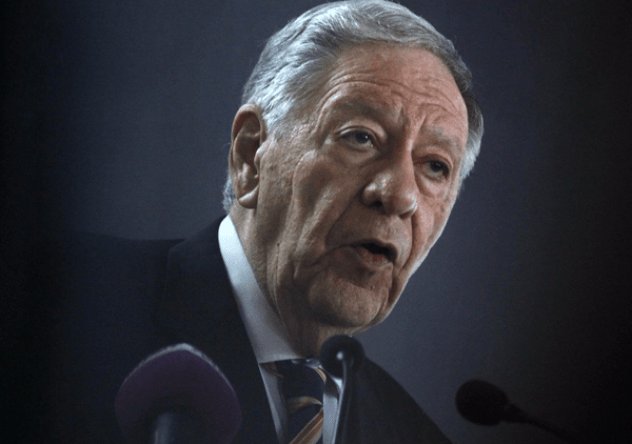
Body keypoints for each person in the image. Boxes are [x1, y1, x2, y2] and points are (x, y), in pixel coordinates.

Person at [46, 1, 484, 443]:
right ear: (250, 155)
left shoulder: (413, 435)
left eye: (435, 166)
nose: (401, 195)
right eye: (361, 137)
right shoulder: (61, 298)